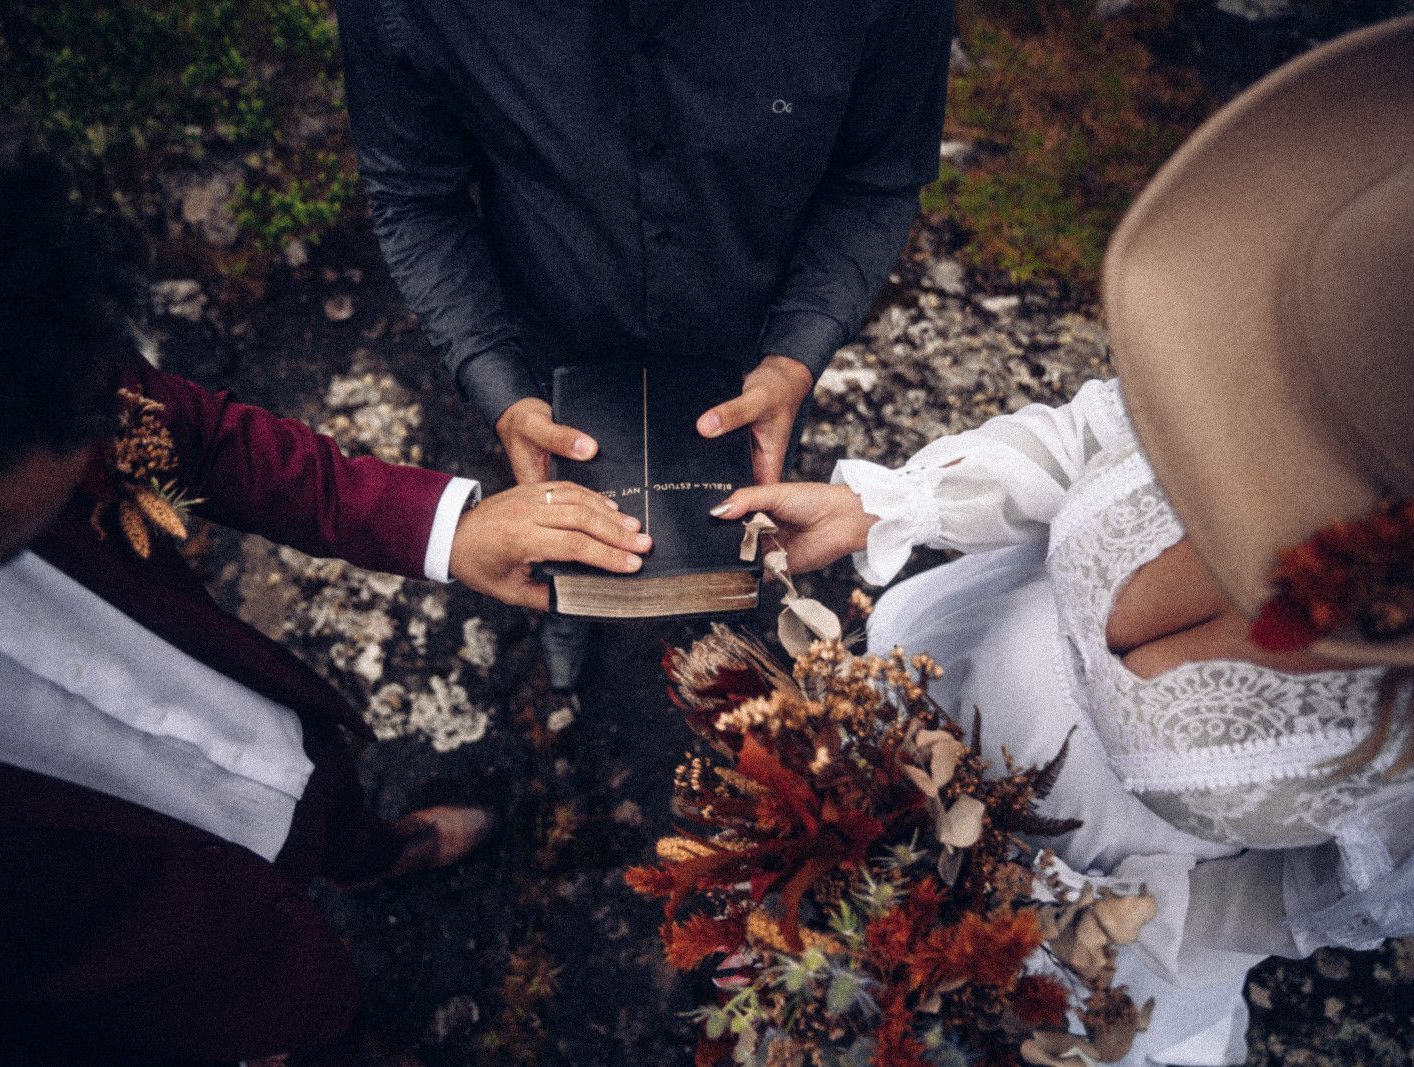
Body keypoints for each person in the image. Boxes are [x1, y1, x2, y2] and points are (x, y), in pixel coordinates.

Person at [0, 64, 649, 1066]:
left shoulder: (11, 363)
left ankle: (377, 852)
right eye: (39, 501)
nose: (105, 423)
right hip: (201, 997)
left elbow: (197, 441)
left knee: (329, 801)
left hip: (267, 735)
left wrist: (444, 529)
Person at [710, 12, 1414, 1064]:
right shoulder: (1324, 344)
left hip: (1104, 929)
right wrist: (889, 508)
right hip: (929, 675)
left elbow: (1343, 892)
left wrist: (1104, 925)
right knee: (824, 958)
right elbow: (1090, 434)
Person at [335, 0, 953, 686]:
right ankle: (571, 601)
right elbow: (415, 195)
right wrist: (497, 382)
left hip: (754, 341)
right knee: (566, 517)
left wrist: (795, 352)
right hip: (548, 333)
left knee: (739, 515)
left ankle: (728, 598)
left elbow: (877, 176)